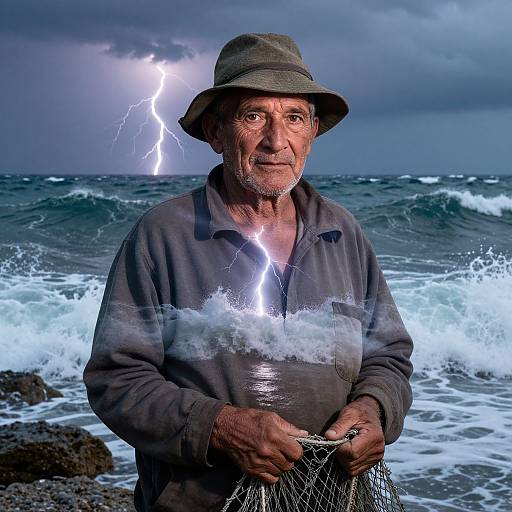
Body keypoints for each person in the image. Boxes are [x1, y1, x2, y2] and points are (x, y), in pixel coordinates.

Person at [84, 33, 413, 512]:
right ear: (217, 133)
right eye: (254, 115)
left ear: (313, 131)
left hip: (336, 500)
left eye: (294, 118)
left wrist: (375, 408)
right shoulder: (163, 235)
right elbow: (116, 380)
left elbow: (390, 356)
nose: (276, 141)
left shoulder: (343, 232)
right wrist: (219, 427)